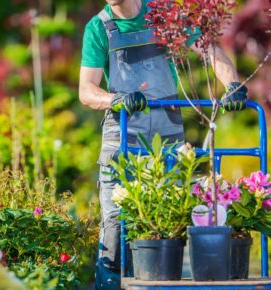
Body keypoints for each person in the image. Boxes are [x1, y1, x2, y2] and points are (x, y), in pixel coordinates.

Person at [78, 0, 249, 289]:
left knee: (166, 229)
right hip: (122, 138)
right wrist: (115, 99)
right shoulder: (98, 28)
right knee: (115, 231)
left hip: (167, 136)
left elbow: (208, 49)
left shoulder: (161, 15)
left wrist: (232, 84)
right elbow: (86, 90)